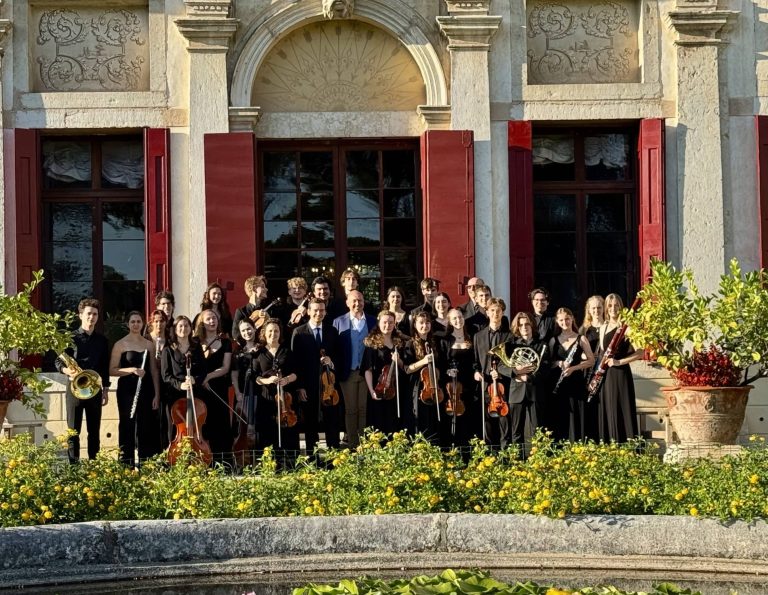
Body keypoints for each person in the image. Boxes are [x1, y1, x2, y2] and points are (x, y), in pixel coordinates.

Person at [56, 298, 111, 464]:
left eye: (95, 314)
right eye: (88, 314)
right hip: (74, 389)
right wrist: (67, 371)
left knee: (94, 432)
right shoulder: (70, 338)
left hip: (94, 389)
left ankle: (94, 467)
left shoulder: (102, 341)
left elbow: (104, 367)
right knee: (73, 432)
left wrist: (105, 390)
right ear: (80, 315)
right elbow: (58, 361)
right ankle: (74, 469)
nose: (91, 317)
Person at [109, 311, 161, 467]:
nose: (136, 324)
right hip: (126, 390)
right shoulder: (120, 344)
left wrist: (156, 394)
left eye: (138, 321)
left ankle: (146, 464)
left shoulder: (149, 345)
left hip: (146, 389)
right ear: (128, 324)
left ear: (143, 324)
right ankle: (127, 464)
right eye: (133, 322)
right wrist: (131, 370)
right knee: (127, 424)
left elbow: (154, 371)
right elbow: (112, 370)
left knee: (146, 425)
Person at [291, 298, 342, 454]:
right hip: (308, 385)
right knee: (310, 423)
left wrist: (331, 361)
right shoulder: (299, 332)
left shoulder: (332, 331)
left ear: (325, 312)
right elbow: (295, 362)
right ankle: (312, 459)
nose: (319, 313)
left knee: (331, 422)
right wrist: (299, 387)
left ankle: (333, 458)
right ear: (308, 311)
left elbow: (339, 355)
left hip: (328, 385)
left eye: (321, 310)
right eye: (315, 310)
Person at [333, 290, 377, 448]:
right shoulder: (339, 322)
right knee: (351, 409)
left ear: (364, 302)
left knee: (363, 409)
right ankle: (352, 444)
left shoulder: (372, 321)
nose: (357, 303)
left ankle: (363, 444)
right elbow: (335, 348)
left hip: (367, 373)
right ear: (347, 303)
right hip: (348, 372)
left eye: (360, 300)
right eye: (354, 301)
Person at [253, 318, 300, 466]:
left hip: (286, 397)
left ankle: (290, 463)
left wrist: (286, 380)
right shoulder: (259, 353)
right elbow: (256, 377)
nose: (273, 334)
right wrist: (268, 380)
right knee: (268, 429)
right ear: (264, 333)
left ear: (280, 333)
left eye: (276, 331)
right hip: (266, 398)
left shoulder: (287, 351)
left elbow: (296, 373)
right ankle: (270, 464)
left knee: (288, 429)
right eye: (270, 331)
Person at [597, 293, 642, 442]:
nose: (613, 308)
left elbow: (641, 352)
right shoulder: (603, 327)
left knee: (620, 409)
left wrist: (619, 362)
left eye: (616, 305)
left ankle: (626, 448)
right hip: (606, 376)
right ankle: (610, 448)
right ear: (606, 308)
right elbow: (603, 352)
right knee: (608, 409)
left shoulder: (627, 328)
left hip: (621, 374)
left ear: (621, 307)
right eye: (610, 305)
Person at [546, 307, 595, 442]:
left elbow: (591, 361)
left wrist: (574, 368)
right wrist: (559, 363)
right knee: (560, 416)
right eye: (561, 320)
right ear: (557, 321)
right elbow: (548, 363)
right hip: (558, 384)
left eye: (567, 319)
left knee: (576, 417)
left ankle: (577, 447)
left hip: (576, 383)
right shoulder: (553, 340)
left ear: (572, 318)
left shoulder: (581, 339)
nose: (565, 322)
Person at [194, 309, 233, 463]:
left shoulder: (225, 342)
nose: (212, 321)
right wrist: (201, 379)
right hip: (201, 389)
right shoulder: (195, 342)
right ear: (202, 323)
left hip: (218, 387)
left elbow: (225, 367)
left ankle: (223, 462)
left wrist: (208, 377)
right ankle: (204, 460)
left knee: (220, 424)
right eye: (208, 319)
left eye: (214, 318)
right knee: (204, 423)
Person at [473, 298, 513, 448]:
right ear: (487, 312)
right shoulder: (478, 336)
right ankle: (489, 452)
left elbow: (511, 360)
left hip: (503, 384)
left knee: (504, 419)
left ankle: (505, 452)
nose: (495, 313)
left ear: (502, 313)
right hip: (486, 384)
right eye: (492, 310)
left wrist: (501, 373)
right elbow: (475, 361)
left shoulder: (510, 336)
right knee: (487, 421)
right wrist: (476, 372)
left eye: (498, 310)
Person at [160, 316, 206, 444]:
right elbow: (166, 376)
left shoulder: (196, 348)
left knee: (196, 424)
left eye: (186, 325)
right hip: (175, 394)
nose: (183, 328)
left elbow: (203, 371)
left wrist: (195, 380)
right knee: (175, 427)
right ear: (175, 329)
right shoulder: (168, 349)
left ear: (191, 328)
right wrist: (180, 385)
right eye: (180, 326)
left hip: (195, 392)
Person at [362, 310, 408, 435]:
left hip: (396, 388)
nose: (388, 325)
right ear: (379, 323)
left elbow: (405, 367)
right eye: (385, 322)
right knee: (378, 421)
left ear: (395, 324)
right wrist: (371, 391)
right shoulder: (372, 344)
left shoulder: (399, 343)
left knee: (395, 421)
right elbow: (367, 370)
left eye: (391, 322)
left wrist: (399, 361)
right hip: (379, 388)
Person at [506, 311, 548, 448]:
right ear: (517, 327)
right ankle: (517, 459)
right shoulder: (511, 345)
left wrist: (528, 377)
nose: (524, 327)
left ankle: (539, 458)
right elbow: (501, 365)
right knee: (516, 431)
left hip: (535, 391)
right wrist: (515, 371)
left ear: (532, 326)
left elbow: (545, 368)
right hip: (516, 392)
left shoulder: (541, 345)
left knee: (538, 430)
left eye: (527, 324)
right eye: (521, 325)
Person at [403, 311, 443, 442]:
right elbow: (407, 369)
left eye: (427, 323)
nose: (424, 326)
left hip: (433, 385)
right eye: (421, 323)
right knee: (419, 417)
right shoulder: (410, 344)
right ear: (414, 325)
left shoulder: (434, 342)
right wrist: (424, 361)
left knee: (433, 418)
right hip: (418, 386)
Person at [439, 308, 476, 448]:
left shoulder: (471, 338)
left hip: (469, 384)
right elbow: (441, 363)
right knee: (450, 418)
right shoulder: (445, 341)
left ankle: (468, 450)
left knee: (469, 417)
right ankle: (451, 449)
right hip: (452, 386)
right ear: (449, 321)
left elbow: (476, 361)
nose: (458, 320)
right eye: (454, 318)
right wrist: (447, 371)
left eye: (460, 317)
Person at [231, 318, 262, 465]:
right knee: (243, 427)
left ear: (254, 328)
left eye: (249, 328)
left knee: (258, 427)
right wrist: (237, 393)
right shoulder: (238, 352)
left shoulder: (262, 348)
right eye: (243, 330)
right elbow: (234, 374)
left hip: (259, 393)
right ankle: (244, 460)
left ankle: (260, 460)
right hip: (244, 393)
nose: (247, 332)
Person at [145, 309, 171, 448]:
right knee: (150, 417)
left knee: (166, 418)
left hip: (166, 383)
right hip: (149, 382)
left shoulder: (170, 340)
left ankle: (167, 449)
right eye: (156, 321)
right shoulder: (146, 339)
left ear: (166, 322)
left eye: (161, 321)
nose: (159, 324)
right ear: (151, 323)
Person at [232, 275, 273, 340]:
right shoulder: (241, 311)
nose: (266, 289)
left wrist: (268, 318)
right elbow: (235, 335)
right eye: (262, 286)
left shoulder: (269, 310)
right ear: (254, 289)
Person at [580, 295, 606, 390]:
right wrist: (586, 356)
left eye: (599, 307)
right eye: (593, 308)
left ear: (604, 308)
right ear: (589, 310)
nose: (596, 310)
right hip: (588, 369)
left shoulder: (609, 327)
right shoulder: (584, 329)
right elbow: (577, 351)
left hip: (605, 368)